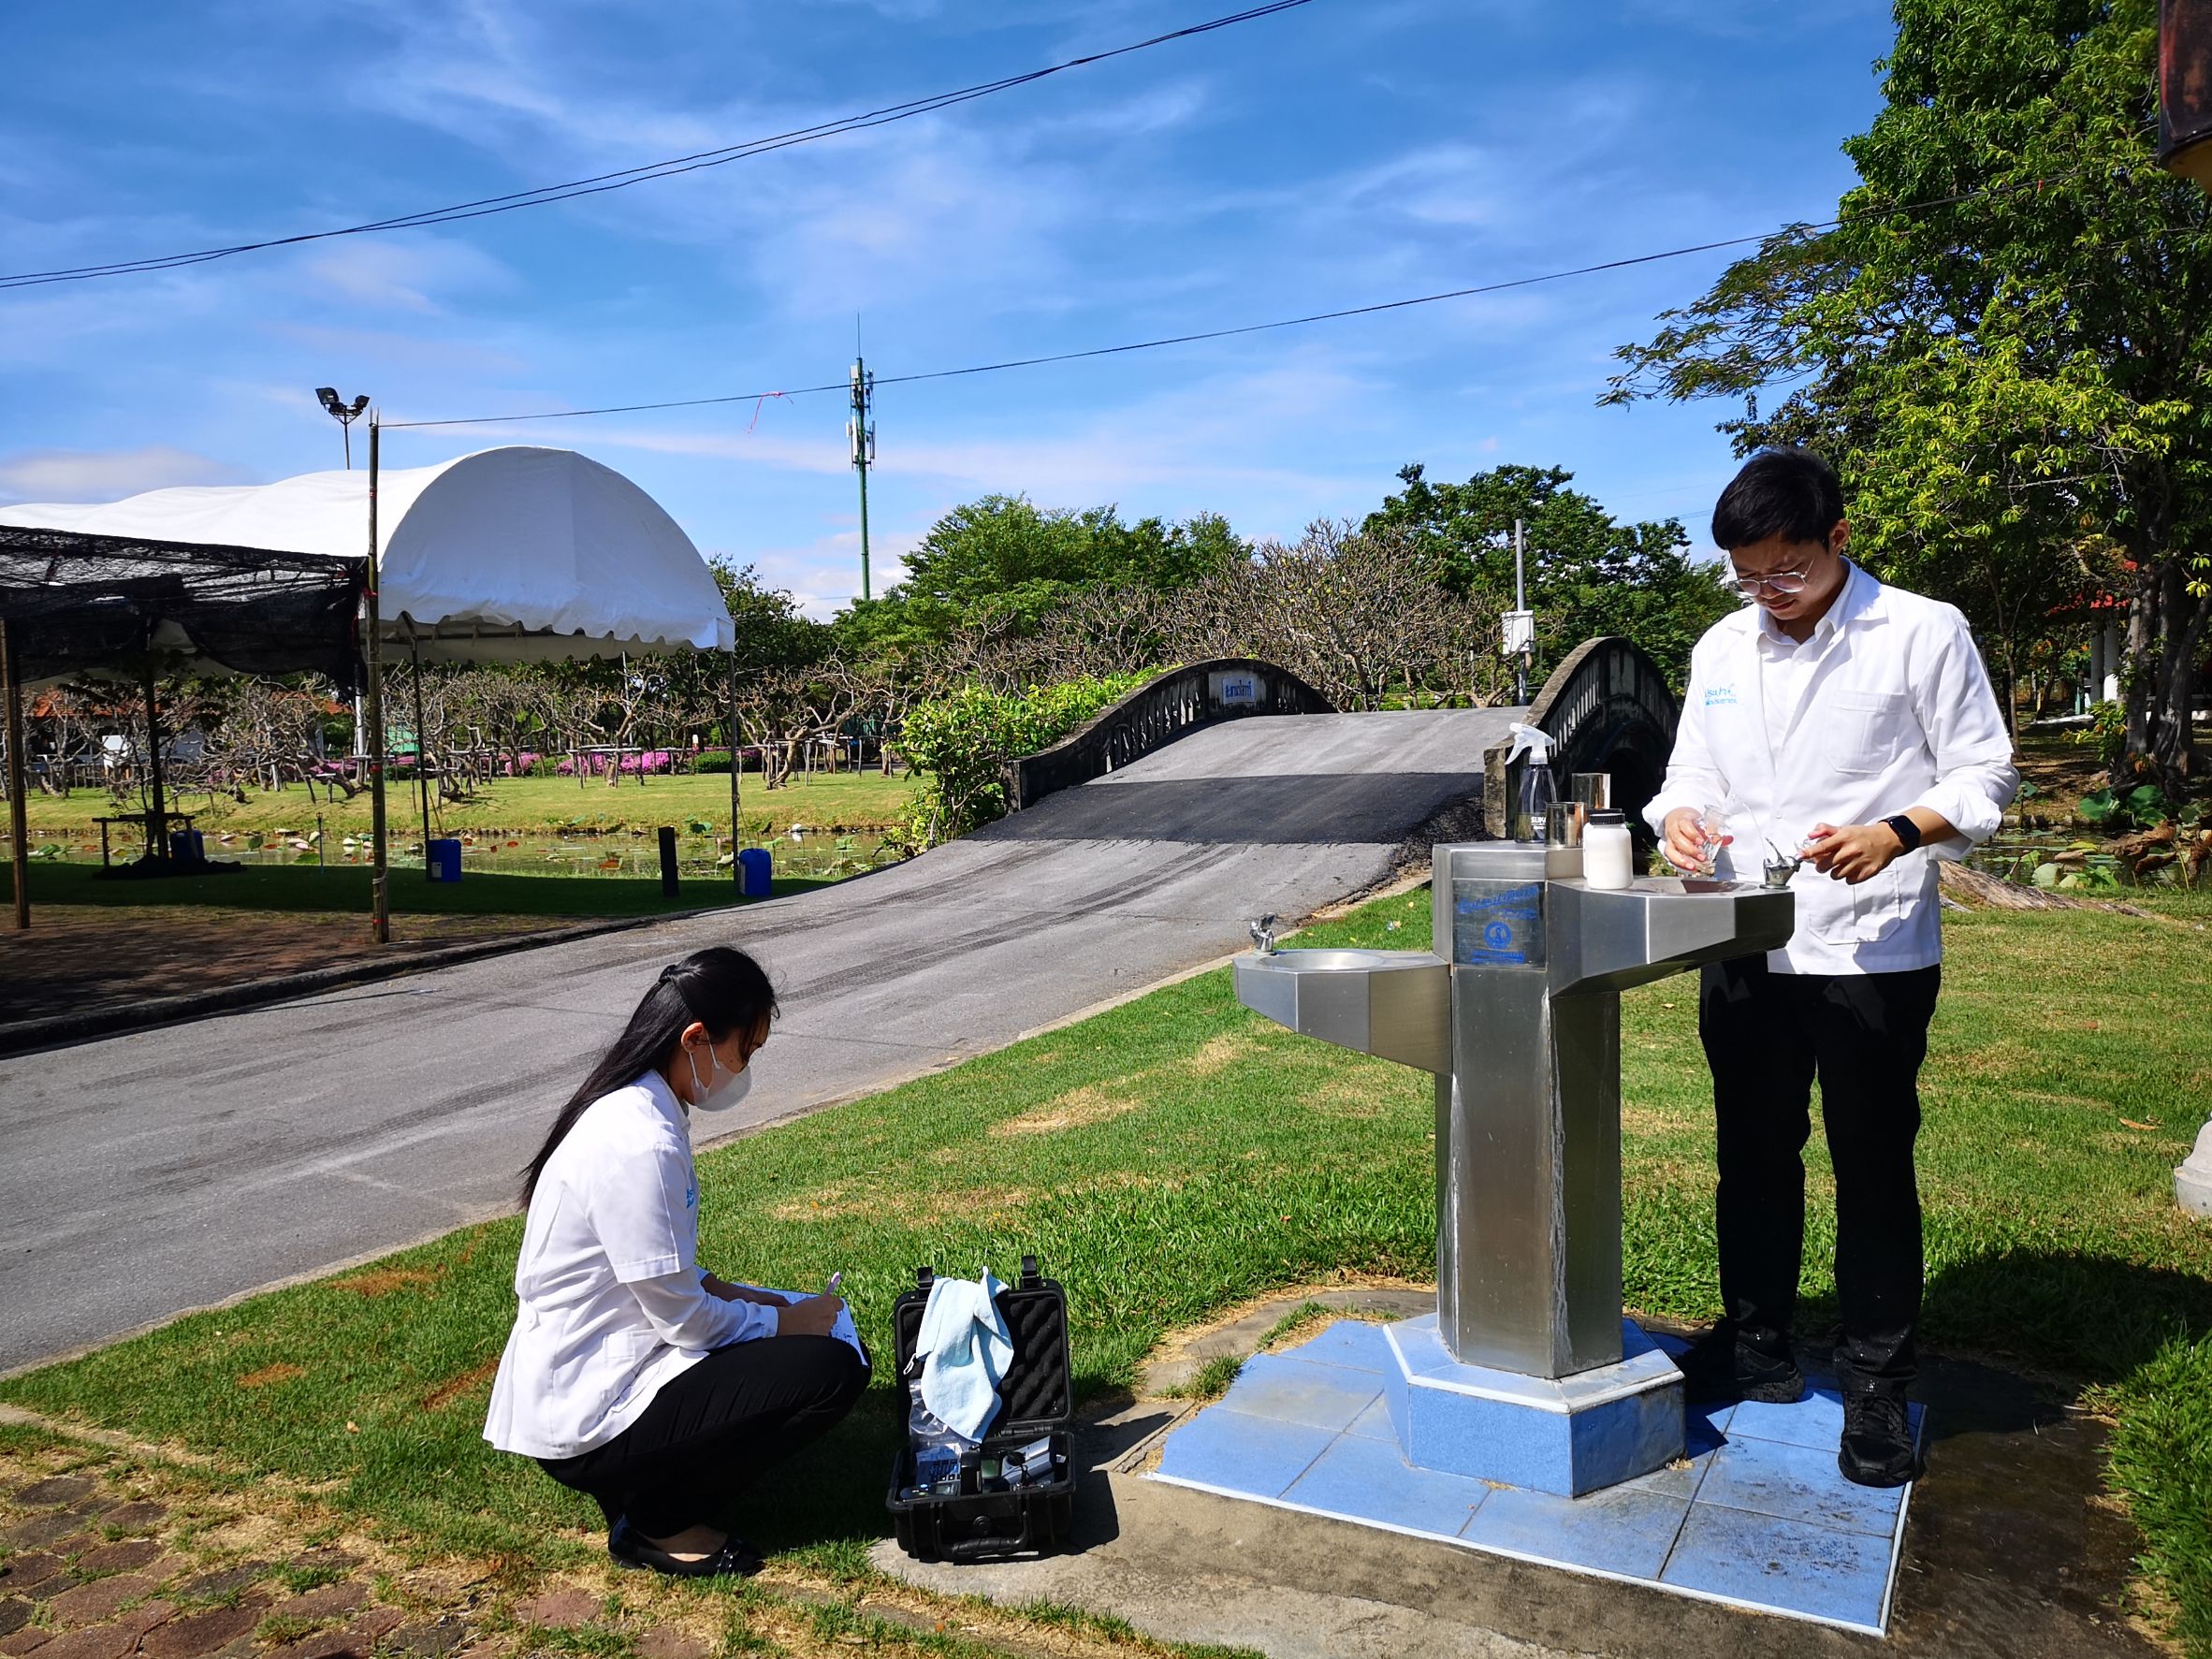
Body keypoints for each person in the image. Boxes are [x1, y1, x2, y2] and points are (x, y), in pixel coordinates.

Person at [1642, 447, 2017, 1489]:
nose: (1768, 594)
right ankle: (1755, 1346)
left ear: (1838, 541)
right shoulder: (1723, 645)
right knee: (1752, 1152)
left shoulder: (1922, 631)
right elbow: (1690, 773)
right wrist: (1675, 817)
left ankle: (1878, 1384)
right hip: (1743, 936)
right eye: (1749, 575)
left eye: (1787, 571)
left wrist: (1896, 831)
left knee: (1872, 1160)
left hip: (1870, 945)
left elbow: (1986, 774)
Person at [483, 946, 867, 1576]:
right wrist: (785, 1323)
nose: (743, 1069)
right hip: (590, 1405)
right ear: (695, 1039)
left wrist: (765, 1301)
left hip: (610, 1368)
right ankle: (660, 1519)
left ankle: (644, 1483)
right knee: (830, 1369)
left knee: (816, 1342)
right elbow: (686, 1321)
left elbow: (664, 1272)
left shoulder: (641, 1108)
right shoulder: (640, 1141)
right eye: (744, 1050)